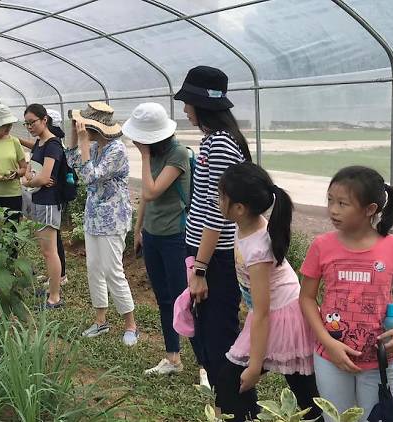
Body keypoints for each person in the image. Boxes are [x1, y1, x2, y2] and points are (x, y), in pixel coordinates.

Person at [299, 165, 393, 421]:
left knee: (377, 417)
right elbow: (307, 298)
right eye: (330, 200)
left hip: (381, 360)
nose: (333, 209)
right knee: (336, 418)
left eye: (343, 203)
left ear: (370, 210)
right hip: (330, 357)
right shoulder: (322, 246)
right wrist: (328, 342)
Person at [213, 162, 320, 421]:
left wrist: (255, 365)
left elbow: (262, 313)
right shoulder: (248, 225)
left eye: (221, 196)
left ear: (239, 208)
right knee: (304, 391)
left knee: (232, 382)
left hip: (284, 317)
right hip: (273, 312)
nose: (218, 201)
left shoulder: (258, 249)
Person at [174, 65, 253, 386]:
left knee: (219, 338)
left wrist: (202, 269)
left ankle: (235, 407)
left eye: (188, 103)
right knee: (208, 333)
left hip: (215, 258)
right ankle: (227, 405)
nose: (184, 109)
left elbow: (217, 213)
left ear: (203, 105)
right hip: (206, 253)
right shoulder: (214, 141)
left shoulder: (219, 145)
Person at [125, 103, 195, 374]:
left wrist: (142, 156)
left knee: (185, 301)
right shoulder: (154, 154)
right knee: (165, 299)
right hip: (153, 237)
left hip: (176, 237)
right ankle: (173, 357)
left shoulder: (177, 154)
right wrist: (139, 229)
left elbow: (153, 191)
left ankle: (204, 365)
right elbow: (145, 195)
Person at [65, 102, 138, 346]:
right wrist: (76, 136)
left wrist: (84, 141)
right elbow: (72, 159)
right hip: (94, 217)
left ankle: (131, 325)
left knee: (112, 270)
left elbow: (89, 176)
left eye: (85, 125)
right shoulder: (95, 146)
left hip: (112, 218)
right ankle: (101, 321)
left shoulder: (116, 150)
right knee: (94, 268)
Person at [21, 104, 65, 309]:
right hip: (39, 199)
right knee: (46, 250)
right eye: (27, 123)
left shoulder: (53, 145)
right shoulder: (39, 143)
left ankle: (54, 297)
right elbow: (31, 171)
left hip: (49, 202)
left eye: (33, 122)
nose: (29, 127)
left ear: (44, 120)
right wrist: (32, 178)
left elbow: (44, 177)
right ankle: (52, 289)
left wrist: (29, 182)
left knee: (50, 252)